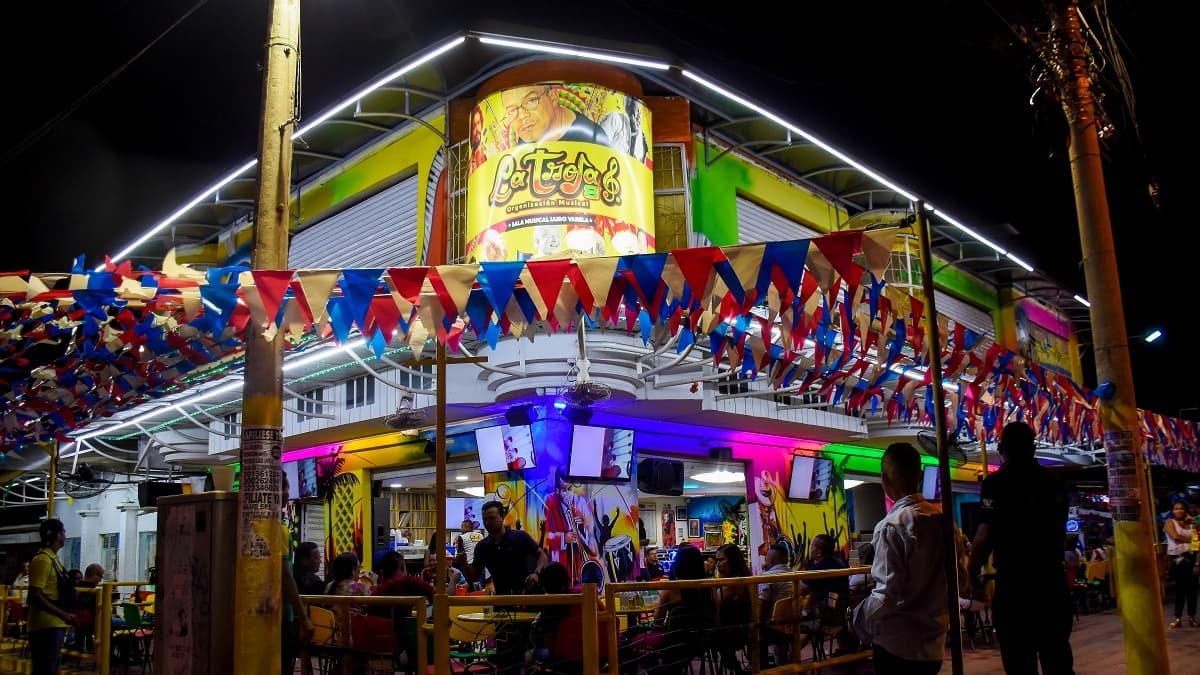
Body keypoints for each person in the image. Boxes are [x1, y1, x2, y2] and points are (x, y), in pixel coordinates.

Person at [968, 421, 1074, 674]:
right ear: (1034, 448)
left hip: (1015, 587)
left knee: (1019, 664)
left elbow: (985, 535)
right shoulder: (1054, 482)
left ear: (1002, 449)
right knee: (1057, 659)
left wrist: (972, 574)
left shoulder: (996, 484)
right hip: (1051, 583)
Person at [853, 442, 963, 674]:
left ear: (884, 479)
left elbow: (886, 595)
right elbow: (960, 581)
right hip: (933, 647)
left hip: (897, 646)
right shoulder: (947, 523)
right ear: (920, 476)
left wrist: (858, 617)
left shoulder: (890, 527)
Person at [466, 500, 548, 595]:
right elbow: (474, 576)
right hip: (502, 601)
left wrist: (537, 573)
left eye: (492, 518)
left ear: (502, 516)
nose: (488, 522)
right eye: (485, 519)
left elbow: (542, 555)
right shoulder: (482, 546)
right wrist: (464, 563)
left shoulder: (520, 537)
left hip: (527, 597)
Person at [27, 518, 76, 675]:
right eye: (63, 531)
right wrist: (63, 614)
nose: (65, 535)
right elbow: (36, 594)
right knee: (45, 668)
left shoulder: (53, 559)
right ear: (56, 535)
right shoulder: (42, 560)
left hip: (54, 624)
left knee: (51, 666)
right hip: (45, 626)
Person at [501, 84, 611, 146]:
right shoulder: (527, 138)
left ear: (553, 98)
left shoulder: (591, 139)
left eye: (530, 101)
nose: (521, 116)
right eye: (511, 111)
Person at [1164, 500, 1198, 628]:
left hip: (1192, 558)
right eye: (1176, 508)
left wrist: (1193, 522)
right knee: (1180, 589)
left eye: (1182, 508)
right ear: (1172, 511)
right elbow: (1176, 536)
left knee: (1192, 590)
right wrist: (1192, 539)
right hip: (1178, 559)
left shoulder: (1191, 524)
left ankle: (1192, 617)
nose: (1179, 510)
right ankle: (1178, 618)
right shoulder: (1170, 522)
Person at [370, 551, 433, 619]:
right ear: (402, 567)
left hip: (379, 628)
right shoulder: (409, 581)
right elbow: (433, 593)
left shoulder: (377, 590)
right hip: (405, 627)